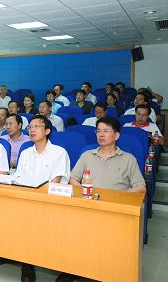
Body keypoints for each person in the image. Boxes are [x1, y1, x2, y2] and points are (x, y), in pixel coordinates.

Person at [56, 116, 146, 282]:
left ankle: (104, 270)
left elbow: (140, 187)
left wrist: (119, 200)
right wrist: (83, 192)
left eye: (106, 131)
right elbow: (73, 178)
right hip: (87, 205)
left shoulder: (128, 159)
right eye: (98, 131)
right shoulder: (87, 155)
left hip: (114, 210)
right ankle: (72, 267)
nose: (101, 134)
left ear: (116, 136)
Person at [14, 115, 70, 282]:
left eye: (37, 126)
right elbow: (18, 178)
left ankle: (64, 266)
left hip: (52, 201)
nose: (32, 129)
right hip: (27, 200)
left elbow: (56, 181)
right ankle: (27, 265)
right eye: (30, 126)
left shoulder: (59, 152)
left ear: (47, 131)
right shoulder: (25, 153)